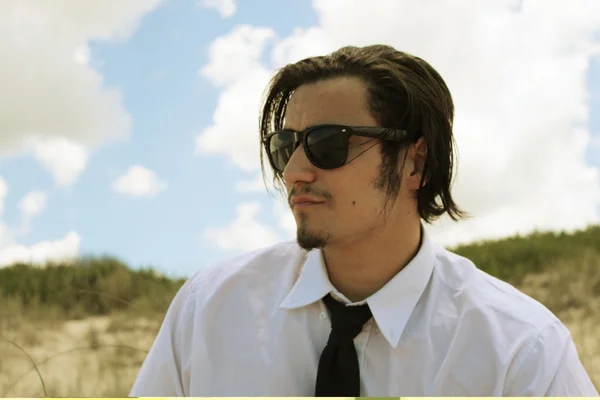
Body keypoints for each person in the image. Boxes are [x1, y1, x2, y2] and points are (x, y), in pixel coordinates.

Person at [129, 44, 598, 396]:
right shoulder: (210, 310)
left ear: (415, 163)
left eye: (328, 143)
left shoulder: (519, 350)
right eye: (285, 146)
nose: (293, 172)